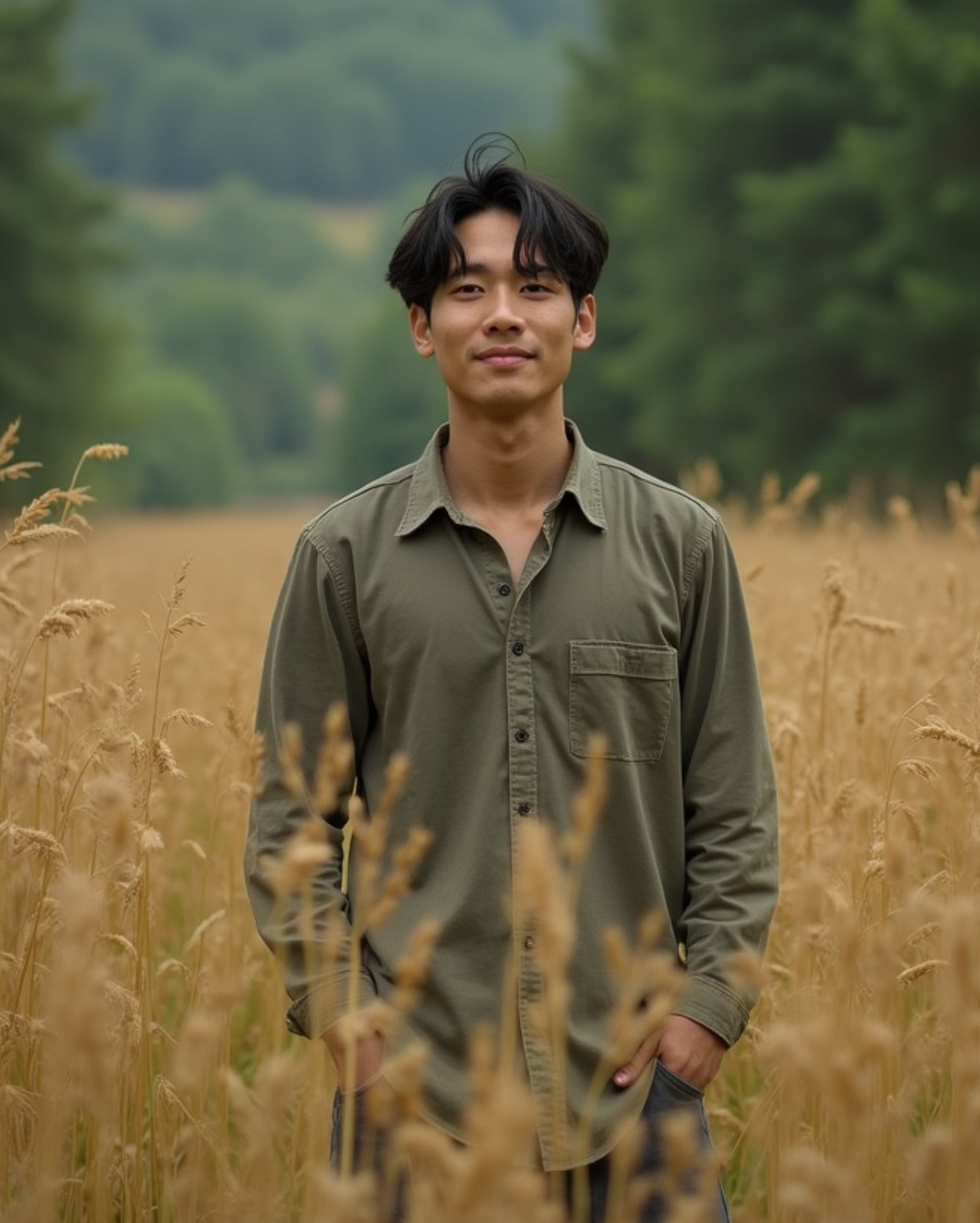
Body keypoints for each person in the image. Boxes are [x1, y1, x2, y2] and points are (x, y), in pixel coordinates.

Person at [245, 138, 778, 1221]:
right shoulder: (343, 558)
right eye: (466, 289)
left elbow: (731, 805)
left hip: (637, 1096)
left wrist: (706, 1011)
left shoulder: (680, 545)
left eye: (535, 287)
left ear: (579, 320)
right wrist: (346, 1018)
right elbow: (291, 823)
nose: (501, 314)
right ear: (419, 326)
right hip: (413, 1103)